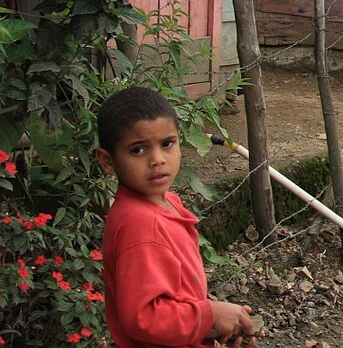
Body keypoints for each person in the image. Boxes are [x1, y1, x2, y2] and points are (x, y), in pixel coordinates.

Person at [96, 87, 258, 347]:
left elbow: (174, 295)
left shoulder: (167, 203)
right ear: (107, 160)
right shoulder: (140, 225)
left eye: (167, 144)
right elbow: (143, 317)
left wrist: (214, 326)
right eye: (138, 150)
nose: (157, 160)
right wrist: (208, 315)